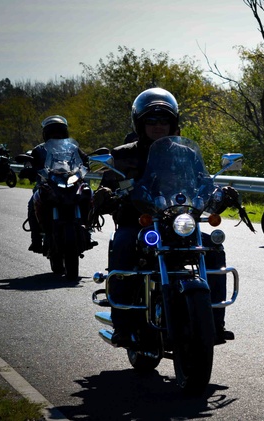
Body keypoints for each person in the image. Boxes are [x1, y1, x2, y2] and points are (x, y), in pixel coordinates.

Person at [92, 87, 233, 346]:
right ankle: (122, 323)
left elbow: (202, 182)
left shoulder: (185, 153)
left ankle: (214, 323)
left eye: (164, 120)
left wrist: (220, 194)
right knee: (123, 243)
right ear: (140, 123)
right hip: (139, 223)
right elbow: (108, 183)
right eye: (151, 121)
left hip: (178, 222)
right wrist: (104, 194)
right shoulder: (123, 154)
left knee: (213, 247)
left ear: (173, 123)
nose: (158, 126)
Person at [25, 115, 90, 253]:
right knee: (33, 202)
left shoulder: (73, 148)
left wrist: (88, 164)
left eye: (59, 132)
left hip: (71, 182)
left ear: (64, 133)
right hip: (48, 184)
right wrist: (29, 169)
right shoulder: (39, 150)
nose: (56, 135)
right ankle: (36, 239)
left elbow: (85, 160)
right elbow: (31, 162)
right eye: (52, 133)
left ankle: (87, 228)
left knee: (88, 192)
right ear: (46, 135)